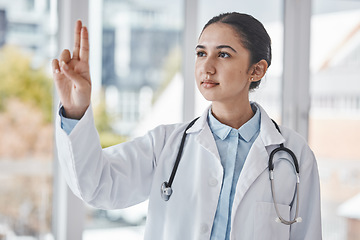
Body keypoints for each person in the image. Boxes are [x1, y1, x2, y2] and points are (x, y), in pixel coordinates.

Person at [52, 12, 322, 240]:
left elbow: (308, 233)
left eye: (224, 55)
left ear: (257, 70)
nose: (207, 66)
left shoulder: (294, 154)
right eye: (201, 53)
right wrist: (76, 110)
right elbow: (96, 185)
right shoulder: (166, 144)